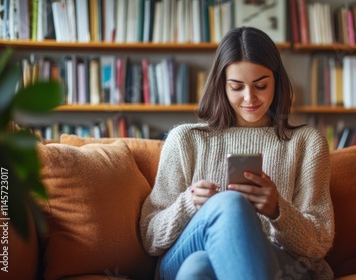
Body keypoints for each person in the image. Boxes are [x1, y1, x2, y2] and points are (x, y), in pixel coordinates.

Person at [140, 26, 334, 280]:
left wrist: (278, 210)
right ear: (222, 85)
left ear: (277, 81)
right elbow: (149, 237)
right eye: (236, 87)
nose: (249, 97)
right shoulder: (185, 140)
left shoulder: (307, 143)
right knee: (229, 204)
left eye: (260, 85)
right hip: (186, 249)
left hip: (280, 264)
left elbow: (319, 243)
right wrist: (188, 204)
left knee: (198, 268)